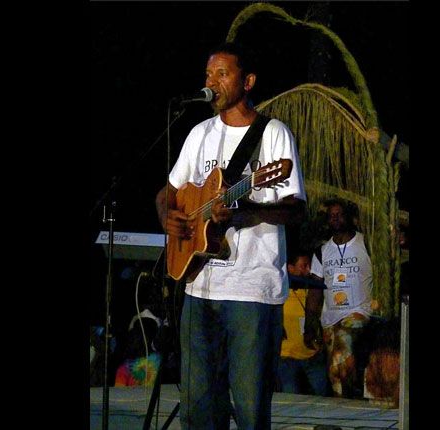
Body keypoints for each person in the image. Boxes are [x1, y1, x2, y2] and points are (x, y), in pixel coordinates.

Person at [154, 41, 306, 429]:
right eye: (209, 75)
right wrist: (169, 219)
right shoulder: (198, 133)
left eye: (222, 74)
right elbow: (167, 193)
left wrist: (244, 211)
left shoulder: (273, 134)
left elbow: (295, 208)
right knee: (197, 409)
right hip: (197, 287)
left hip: (251, 292)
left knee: (251, 411)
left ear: (248, 81)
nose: (212, 82)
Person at [309, 198, 373, 398]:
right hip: (330, 319)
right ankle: (345, 403)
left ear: (350, 218)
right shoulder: (321, 252)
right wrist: (310, 323)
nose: (335, 219)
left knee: (341, 352)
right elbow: (315, 290)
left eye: (340, 214)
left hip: (358, 312)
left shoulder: (366, 243)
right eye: (331, 216)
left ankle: (346, 399)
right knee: (336, 370)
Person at [277, 251, 329, 396]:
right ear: (290, 268)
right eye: (303, 266)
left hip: (312, 354)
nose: (308, 271)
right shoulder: (279, 291)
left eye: (309, 266)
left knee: (323, 395)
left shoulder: (314, 291)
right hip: (286, 357)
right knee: (291, 397)